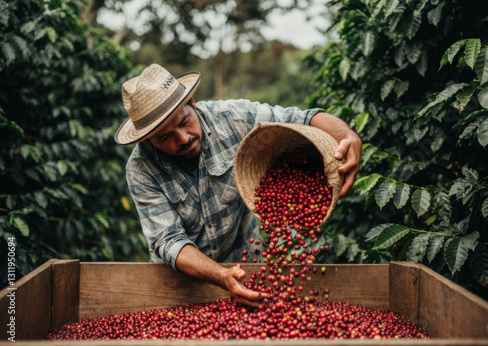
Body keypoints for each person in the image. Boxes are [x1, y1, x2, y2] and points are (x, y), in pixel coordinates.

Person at [115, 64, 362, 307]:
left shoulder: (232, 118)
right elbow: (168, 240)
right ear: (148, 139)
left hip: (246, 268)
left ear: (191, 103)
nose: (183, 138)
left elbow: (305, 118)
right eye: (163, 137)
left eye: (183, 122)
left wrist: (348, 136)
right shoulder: (140, 169)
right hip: (180, 284)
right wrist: (221, 276)